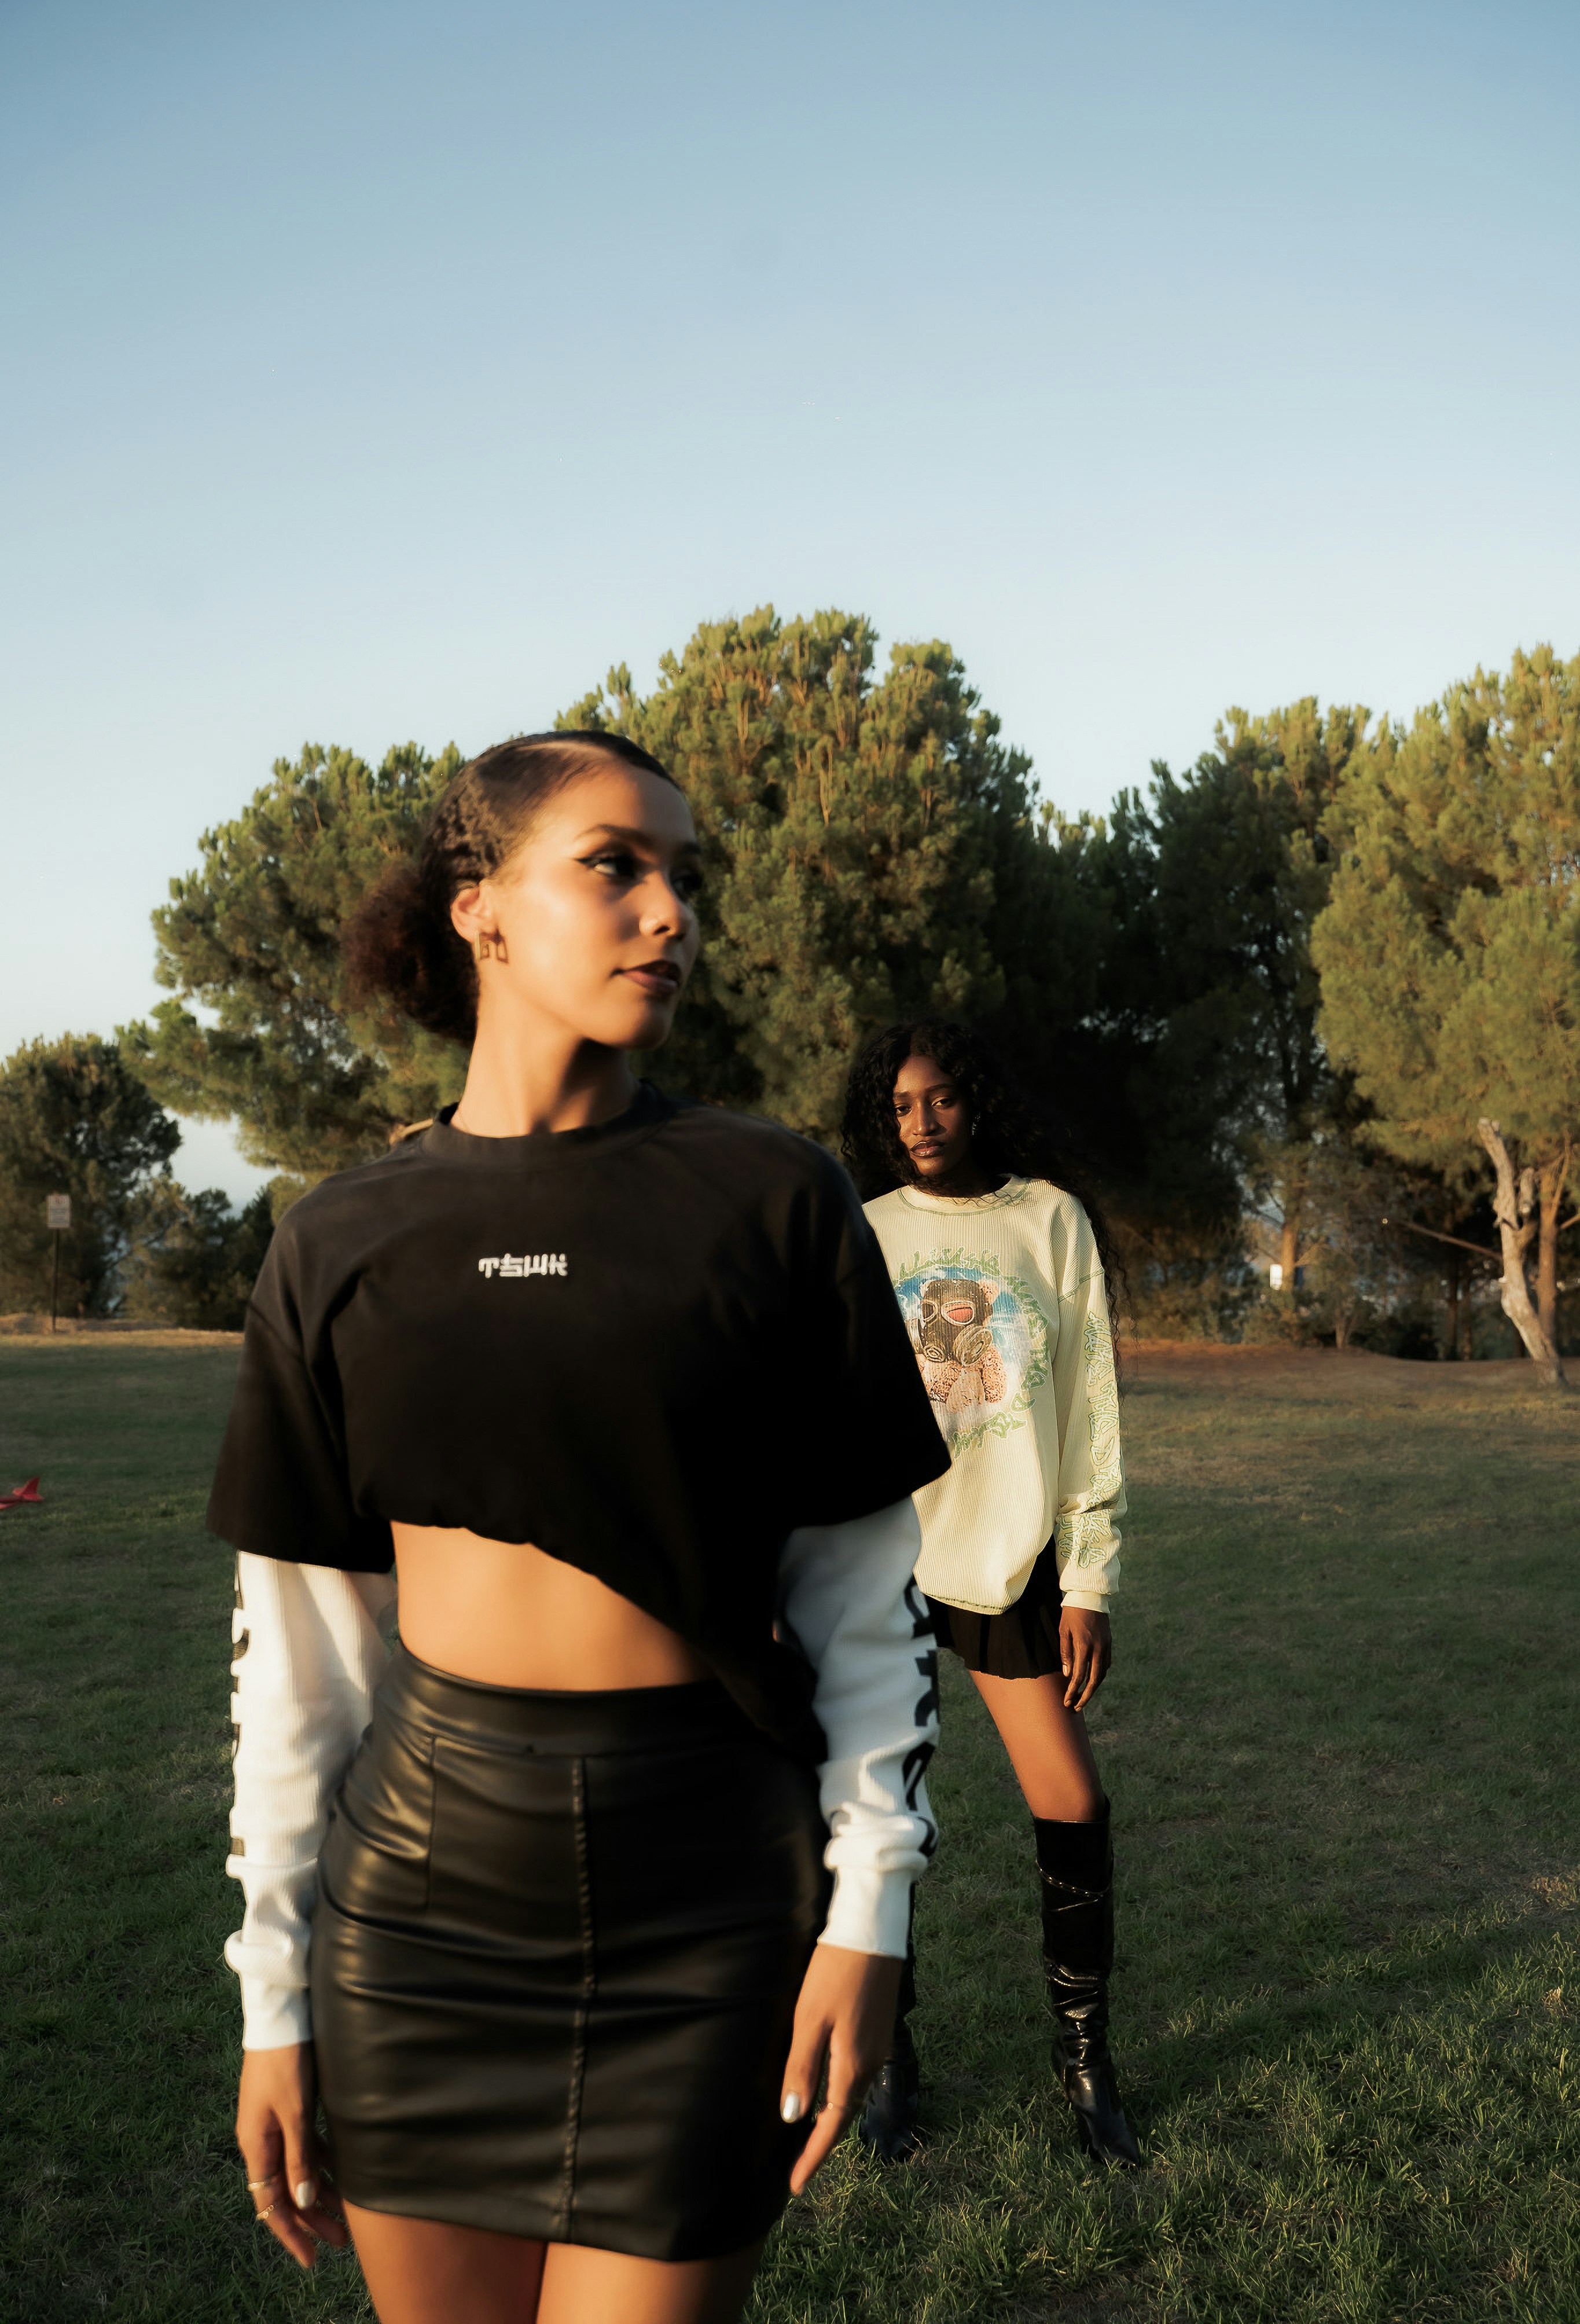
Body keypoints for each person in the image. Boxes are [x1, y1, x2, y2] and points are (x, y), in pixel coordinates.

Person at [214, 732, 951, 2324]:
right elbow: (301, 1665)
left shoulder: (774, 1200)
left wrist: (871, 1905)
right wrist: (275, 1998)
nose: (670, 911)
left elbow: (866, 1603)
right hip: (419, 1915)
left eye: (686, 875)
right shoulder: (340, 1237)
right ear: (479, 907)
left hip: (706, 1903)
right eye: (616, 865)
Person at [839, 1018, 1140, 2170]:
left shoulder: (1048, 1219)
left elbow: (1094, 1407)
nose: (922, 1120)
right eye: (903, 1103)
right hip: (885, 1556)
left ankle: (1086, 2060)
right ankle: (886, 2062)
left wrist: (1090, 1573)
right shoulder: (865, 1232)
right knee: (881, 1818)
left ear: (979, 1103)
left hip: (1013, 1557)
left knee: (1071, 1798)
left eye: (944, 1098)